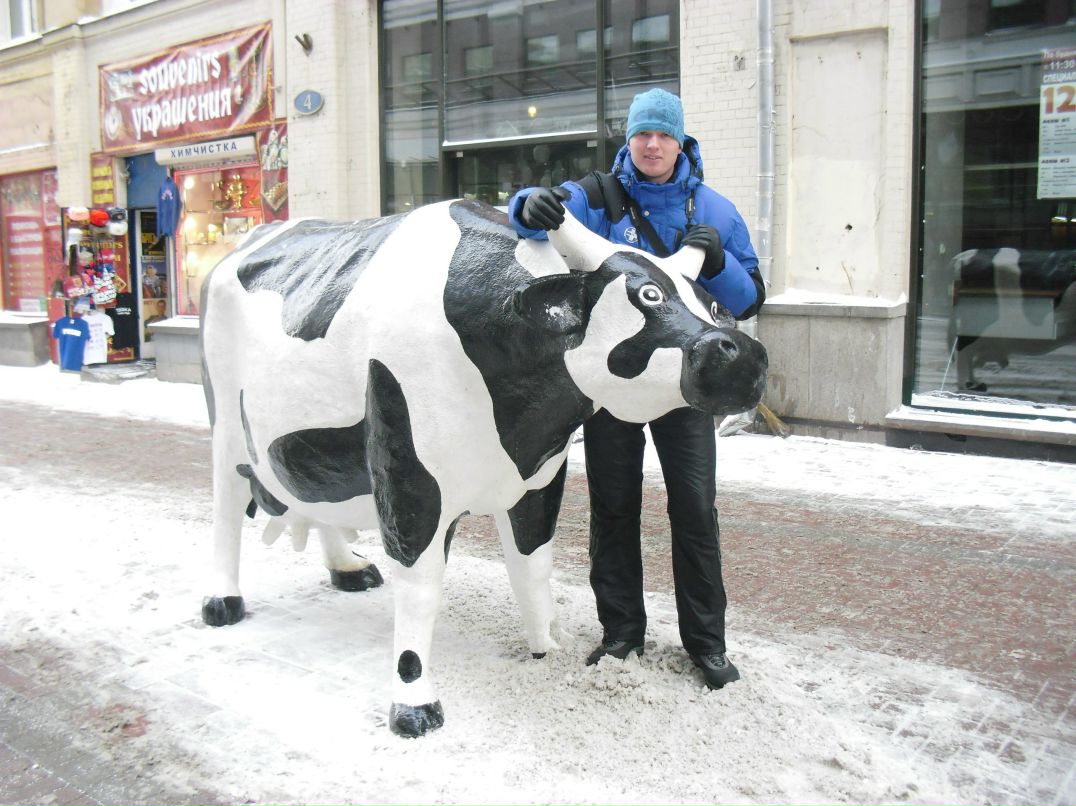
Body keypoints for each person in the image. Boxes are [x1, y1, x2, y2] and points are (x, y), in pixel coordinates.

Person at [507, 88, 765, 690]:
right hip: (616, 385)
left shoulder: (716, 209)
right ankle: (621, 632)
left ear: (681, 141)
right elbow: (536, 213)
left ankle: (707, 644)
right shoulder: (599, 197)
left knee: (695, 511)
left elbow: (751, 297)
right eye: (642, 134)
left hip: (685, 388)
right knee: (614, 509)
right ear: (630, 140)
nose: (652, 145)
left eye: (663, 135)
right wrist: (527, 204)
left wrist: (717, 259)